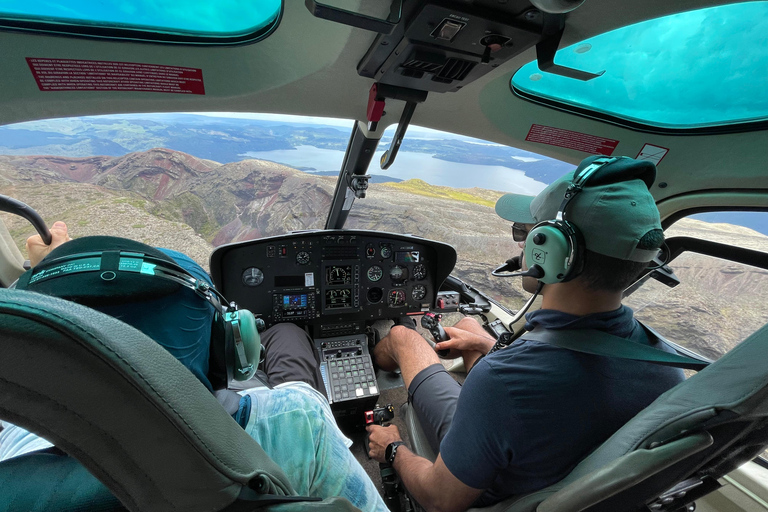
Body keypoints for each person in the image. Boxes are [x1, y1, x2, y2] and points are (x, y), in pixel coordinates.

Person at [366, 156, 686, 512]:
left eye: (527, 233)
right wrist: (487, 347)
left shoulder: (502, 383)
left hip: (475, 486)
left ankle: (369, 358)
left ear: (551, 250)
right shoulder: (665, 367)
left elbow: (441, 501)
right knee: (471, 327)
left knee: (403, 337)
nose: (521, 246)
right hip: (542, 459)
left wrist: (393, 448)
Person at [0, 221, 388, 512]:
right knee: (288, 339)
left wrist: (53, 276)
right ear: (230, 352)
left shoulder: (14, 446)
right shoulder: (296, 422)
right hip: (254, 425)